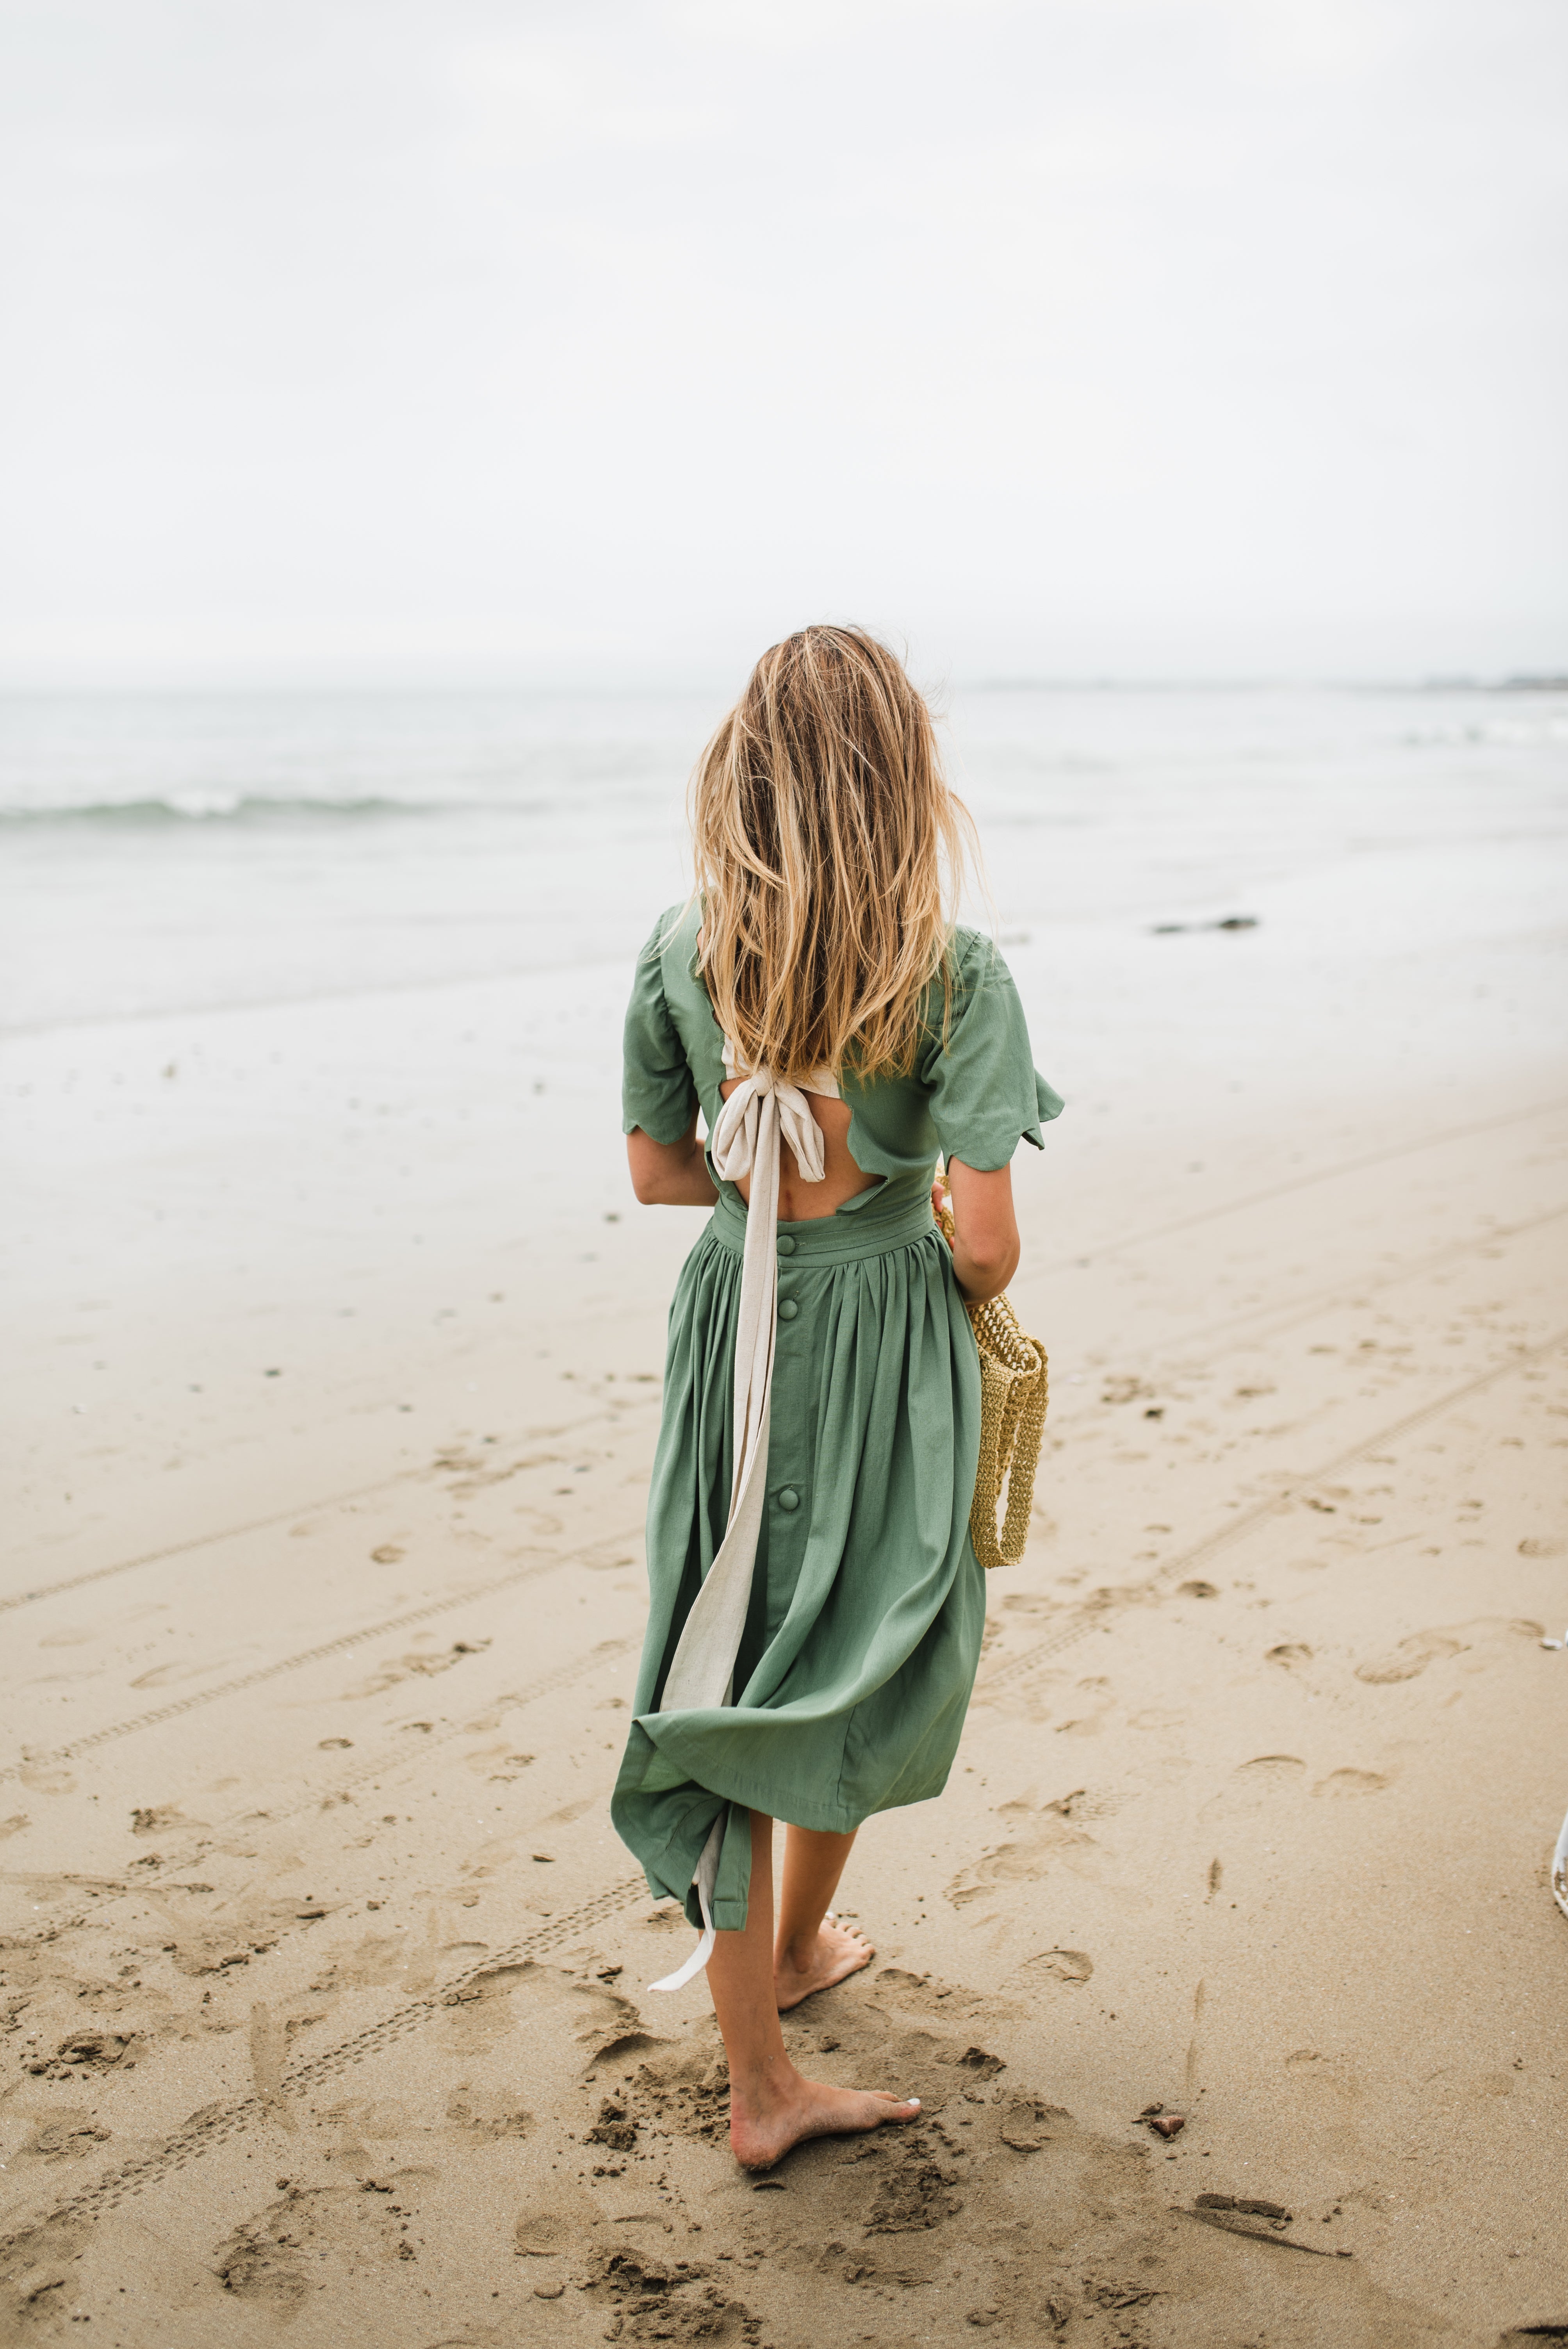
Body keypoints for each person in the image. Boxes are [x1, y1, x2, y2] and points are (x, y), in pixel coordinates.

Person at [612, 625, 1062, 2168]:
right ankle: (764, 2073)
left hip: (737, 1332)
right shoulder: (955, 973)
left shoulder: (679, 952)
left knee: (727, 1643)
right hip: (884, 1345)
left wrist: (769, 1171)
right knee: (865, 1640)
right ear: (901, 784)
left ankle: (777, 2001)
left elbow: (662, 1170)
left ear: (740, 777)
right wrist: (907, 1210)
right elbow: (987, 1248)